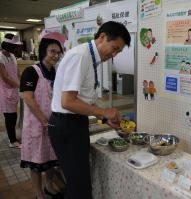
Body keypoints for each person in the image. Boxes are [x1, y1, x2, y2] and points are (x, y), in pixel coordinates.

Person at [48, 21, 131, 199]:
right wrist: (103, 112)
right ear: (102, 37)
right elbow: (68, 102)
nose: (114, 54)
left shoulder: (91, 58)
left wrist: (103, 117)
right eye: (114, 48)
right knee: (80, 187)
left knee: (78, 183)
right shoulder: (81, 56)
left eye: (119, 52)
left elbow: (81, 100)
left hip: (73, 123)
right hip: (66, 126)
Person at [20, 30, 66, 199]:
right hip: (36, 125)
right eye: (52, 51)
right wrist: (43, 120)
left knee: (51, 160)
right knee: (36, 163)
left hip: (51, 123)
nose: (56, 55)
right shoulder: (31, 71)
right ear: (43, 51)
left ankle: (49, 186)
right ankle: (39, 194)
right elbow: (28, 98)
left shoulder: (54, 72)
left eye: (58, 52)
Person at [0, 33, 22, 148]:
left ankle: (13, 138)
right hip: (5, 92)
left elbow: (16, 70)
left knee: (13, 115)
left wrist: (21, 80)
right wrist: (19, 85)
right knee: (10, 117)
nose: (16, 48)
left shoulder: (12, 56)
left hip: (13, 90)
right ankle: (12, 141)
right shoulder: (0, 58)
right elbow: (5, 77)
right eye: (15, 46)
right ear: (8, 45)